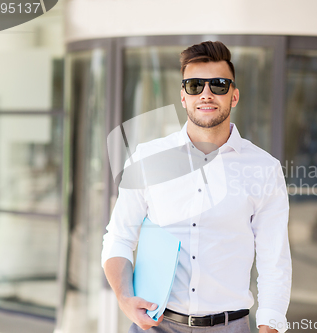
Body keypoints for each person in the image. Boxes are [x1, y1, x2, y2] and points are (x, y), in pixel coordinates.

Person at [102, 40, 292, 333]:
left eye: (218, 85)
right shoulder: (148, 158)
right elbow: (119, 236)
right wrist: (124, 298)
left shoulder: (264, 169)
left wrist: (270, 326)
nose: (206, 94)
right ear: (182, 96)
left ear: (234, 95)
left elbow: (273, 259)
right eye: (194, 86)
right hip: (155, 324)